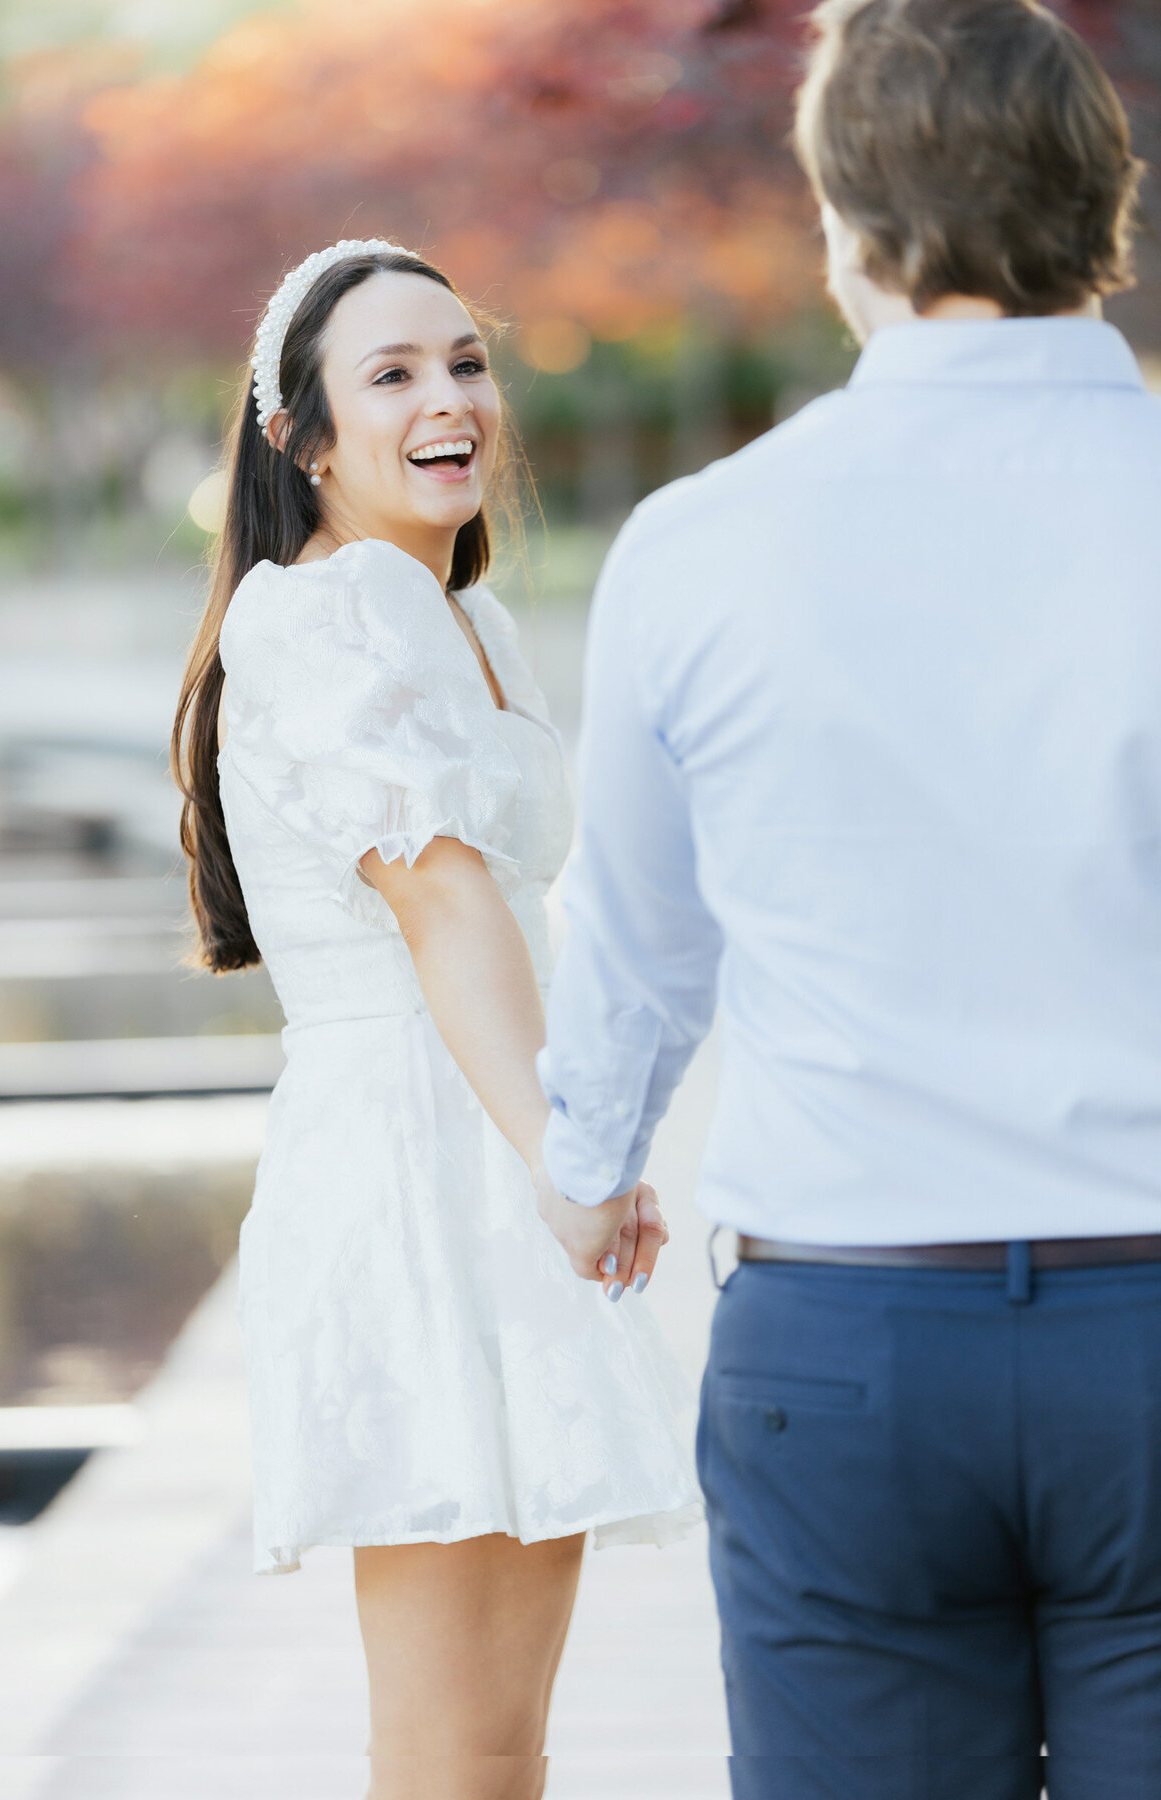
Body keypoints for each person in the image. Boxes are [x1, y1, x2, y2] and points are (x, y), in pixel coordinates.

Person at [534, 2, 1161, 1795]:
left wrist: (590, 1172)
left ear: (841, 215)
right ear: (1103, 198)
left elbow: (638, 942)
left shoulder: (704, 541)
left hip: (851, 1341)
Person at [171, 239, 700, 1800]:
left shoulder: (465, 622)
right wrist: (564, 1154)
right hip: (411, 1164)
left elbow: (517, 911)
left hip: (488, 1133)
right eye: (391, 374)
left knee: (500, 1745)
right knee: (444, 1747)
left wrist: (564, 1142)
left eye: (465, 361)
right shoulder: (321, 616)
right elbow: (443, 899)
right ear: (303, 437)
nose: (449, 398)